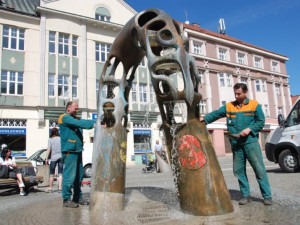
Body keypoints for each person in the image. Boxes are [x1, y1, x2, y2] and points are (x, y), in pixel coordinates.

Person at [200, 83, 273, 206]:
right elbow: (217, 113)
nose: (236, 96)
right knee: (238, 171)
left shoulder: (254, 105)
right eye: (235, 93)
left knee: (259, 170)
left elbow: (261, 121)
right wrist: (204, 119)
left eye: (239, 93)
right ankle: (245, 195)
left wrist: (249, 129)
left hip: (250, 143)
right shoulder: (229, 106)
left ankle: (267, 196)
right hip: (236, 144)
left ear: (245, 92)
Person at [58, 101, 95, 208]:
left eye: (77, 108)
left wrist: (100, 122)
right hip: (70, 150)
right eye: (75, 108)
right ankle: (66, 199)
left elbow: (83, 121)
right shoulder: (64, 117)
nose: (76, 110)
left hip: (77, 150)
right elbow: (81, 123)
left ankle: (77, 197)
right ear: (68, 108)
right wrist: (95, 124)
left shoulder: (74, 118)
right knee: (69, 176)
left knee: (79, 176)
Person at [45, 127, 63, 193]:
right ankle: (60, 187)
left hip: (53, 158)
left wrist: (46, 158)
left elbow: (49, 149)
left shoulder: (50, 139)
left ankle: (50, 188)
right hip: (61, 157)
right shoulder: (61, 139)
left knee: (51, 173)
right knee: (60, 172)